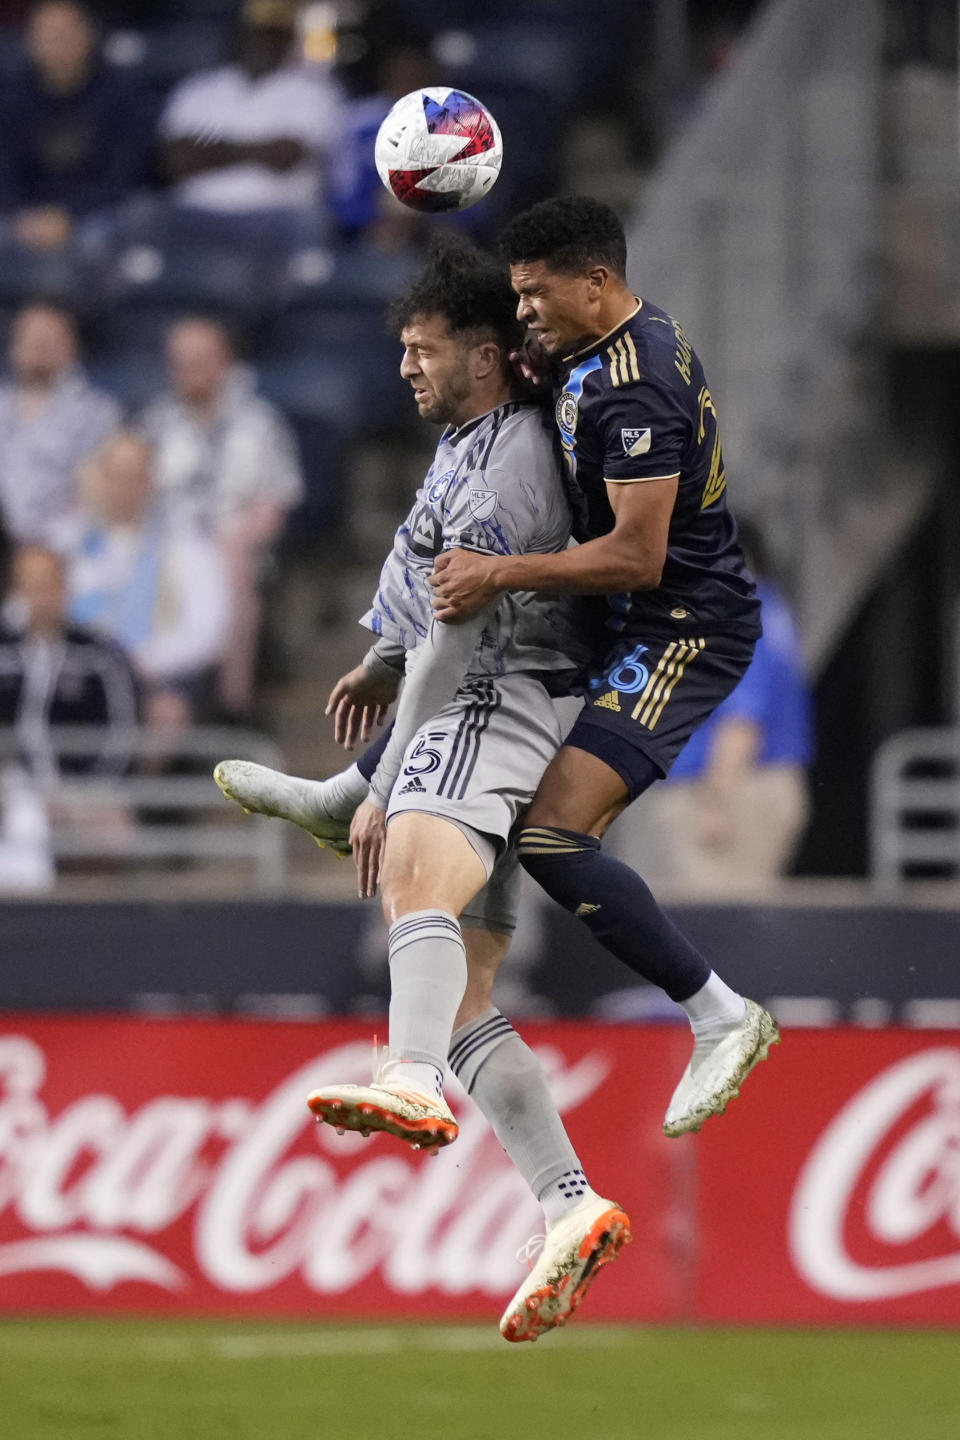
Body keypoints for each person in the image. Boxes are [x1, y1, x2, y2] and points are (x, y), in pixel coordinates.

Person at [216, 238, 631, 1343]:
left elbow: (457, 638)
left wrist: (387, 780)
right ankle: (566, 1202)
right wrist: (379, 664)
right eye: (399, 347)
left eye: (423, 348)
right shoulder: (468, 442)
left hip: (497, 695)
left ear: (488, 356)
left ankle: (405, 1076)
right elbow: (422, 620)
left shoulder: (505, 465)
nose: (405, 366)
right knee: (462, 993)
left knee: (409, 870)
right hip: (495, 694)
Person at [429, 196, 778, 1138]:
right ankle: (366, 789)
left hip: (679, 629)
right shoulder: (604, 349)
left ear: (597, 282)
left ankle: (718, 1012)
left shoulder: (638, 387)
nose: (527, 311)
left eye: (537, 295)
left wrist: (501, 569)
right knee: (484, 735)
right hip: (620, 622)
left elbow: (638, 555)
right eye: (518, 295)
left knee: (550, 833)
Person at [607, 517, 813, 896]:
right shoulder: (766, 605)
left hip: (732, 791)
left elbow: (742, 721)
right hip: (749, 786)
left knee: (717, 932)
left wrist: (717, 804)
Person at [140, 316, 303, 716]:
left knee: (229, 565)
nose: (189, 371)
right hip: (163, 551)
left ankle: (231, 704)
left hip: (232, 552)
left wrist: (235, 539)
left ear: (225, 362)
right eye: (181, 362)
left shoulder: (260, 424)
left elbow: (277, 502)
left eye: (200, 360)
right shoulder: (154, 424)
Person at [67, 432, 231, 731]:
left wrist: (142, 661)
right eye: (116, 476)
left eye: (134, 476)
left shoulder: (187, 546)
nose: (124, 488)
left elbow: (208, 632)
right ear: (101, 480)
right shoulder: (70, 548)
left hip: (156, 678)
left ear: (151, 480)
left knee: (165, 713)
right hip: (80, 675)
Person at [158, 0, 341, 222]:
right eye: (258, 33)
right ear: (241, 35)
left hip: (278, 218)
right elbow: (178, 161)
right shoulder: (198, 88)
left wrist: (210, 148)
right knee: (142, 213)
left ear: (289, 39)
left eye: (275, 34)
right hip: (194, 214)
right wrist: (259, 149)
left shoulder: (316, 91)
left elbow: (286, 157)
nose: (265, 42)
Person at [0, 0, 153, 252]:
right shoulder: (12, 98)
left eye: (65, 33)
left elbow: (124, 173)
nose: (56, 44)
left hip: (99, 212)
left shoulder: (123, 94)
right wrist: (23, 216)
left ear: (88, 34)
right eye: (47, 35)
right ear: (30, 40)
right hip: (24, 217)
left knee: (128, 220)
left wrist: (69, 215)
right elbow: (5, 172)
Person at [0, 542, 137, 783]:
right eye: (31, 585)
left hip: (82, 790)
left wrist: (91, 788)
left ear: (65, 586)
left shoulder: (98, 654)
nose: (41, 596)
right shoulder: (5, 652)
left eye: (48, 584)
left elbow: (120, 732)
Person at [0, 301, 120, 550]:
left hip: (63, 550)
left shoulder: (96, 413)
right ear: (14, 347)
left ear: (71, 348)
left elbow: (95, 500)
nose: (39, 348)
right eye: (31, 339)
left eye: (49, 340)